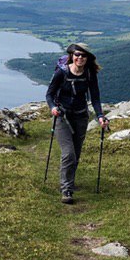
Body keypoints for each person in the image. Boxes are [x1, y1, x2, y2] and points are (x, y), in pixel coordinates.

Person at [45, 42, 109, 204]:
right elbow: (50, 94)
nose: (80, 57)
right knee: (69, 153)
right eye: (77, 55)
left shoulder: (89, 74)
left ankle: (69, 181)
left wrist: (100, 115)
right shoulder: (62, 72)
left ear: (88, 58)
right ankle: (66, 189)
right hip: (62, 116)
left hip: (81, 116)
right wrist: (53, 107)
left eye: (83, 55)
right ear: (71, 56)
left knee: (76, 153)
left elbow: (95, 97)